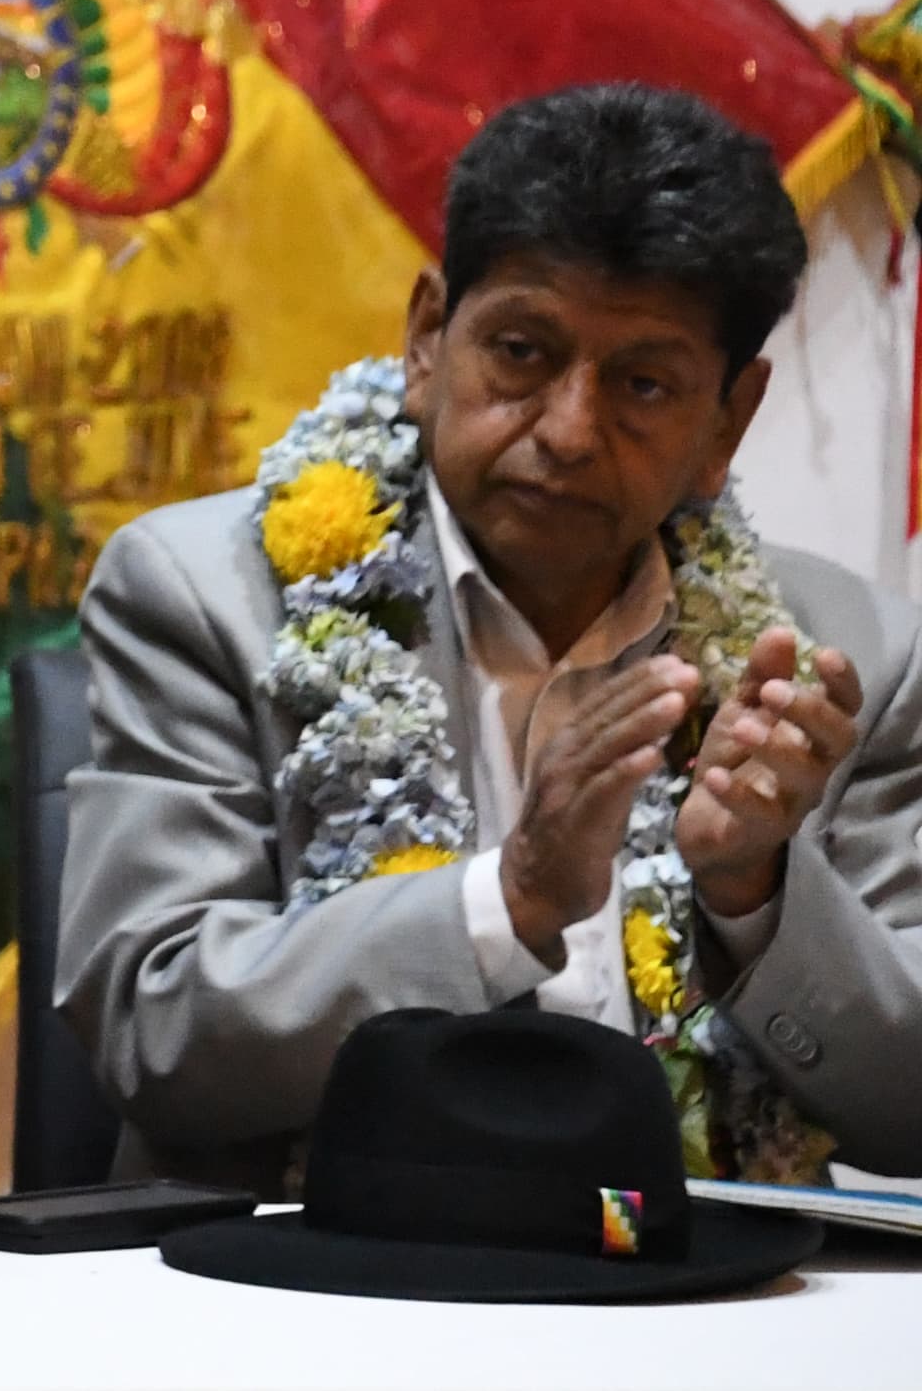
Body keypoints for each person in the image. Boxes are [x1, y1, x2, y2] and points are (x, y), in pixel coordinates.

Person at [61, 82, 921, 1189]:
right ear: (427, 336)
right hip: (315, 1268)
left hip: (701, 1280)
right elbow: (152, 1031)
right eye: (520, 351)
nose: (567, 429)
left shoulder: (839, 664)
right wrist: (506, 900)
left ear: (727, 419)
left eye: (642, 383)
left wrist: (754, 893)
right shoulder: (204, 595)